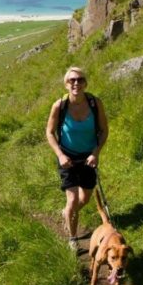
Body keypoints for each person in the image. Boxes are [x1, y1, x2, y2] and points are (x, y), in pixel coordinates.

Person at [46, 66, 108, 249]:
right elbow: (49, 133)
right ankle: (73, 238)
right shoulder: (59, 106)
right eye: (72, 80)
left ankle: (67, 213)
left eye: (80, 79)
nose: (76, 83)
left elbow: (104, 131)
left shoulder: (95, 103)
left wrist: (96, 153)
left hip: (89, 157)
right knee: (72, 200)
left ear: (86, 83)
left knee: (85, 199)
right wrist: (60, 155)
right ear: (66, 84)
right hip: (68, 158)